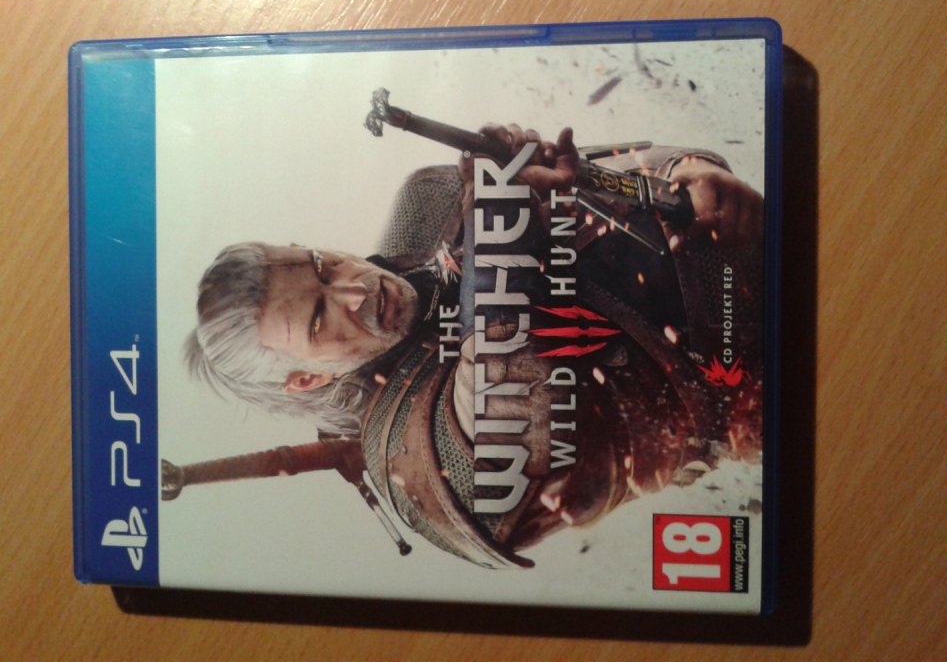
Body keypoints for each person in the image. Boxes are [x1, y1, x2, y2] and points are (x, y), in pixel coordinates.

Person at [178, 124, 765, 568]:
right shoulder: (404, 458)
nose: (356, 291)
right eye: (316, 319)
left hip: (758, 246)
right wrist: (497, 220)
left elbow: (602, 171)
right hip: (762, 395)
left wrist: (690, 172)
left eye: (321, 265)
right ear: (307, 379)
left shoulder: (427, 200)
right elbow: (508, 408)